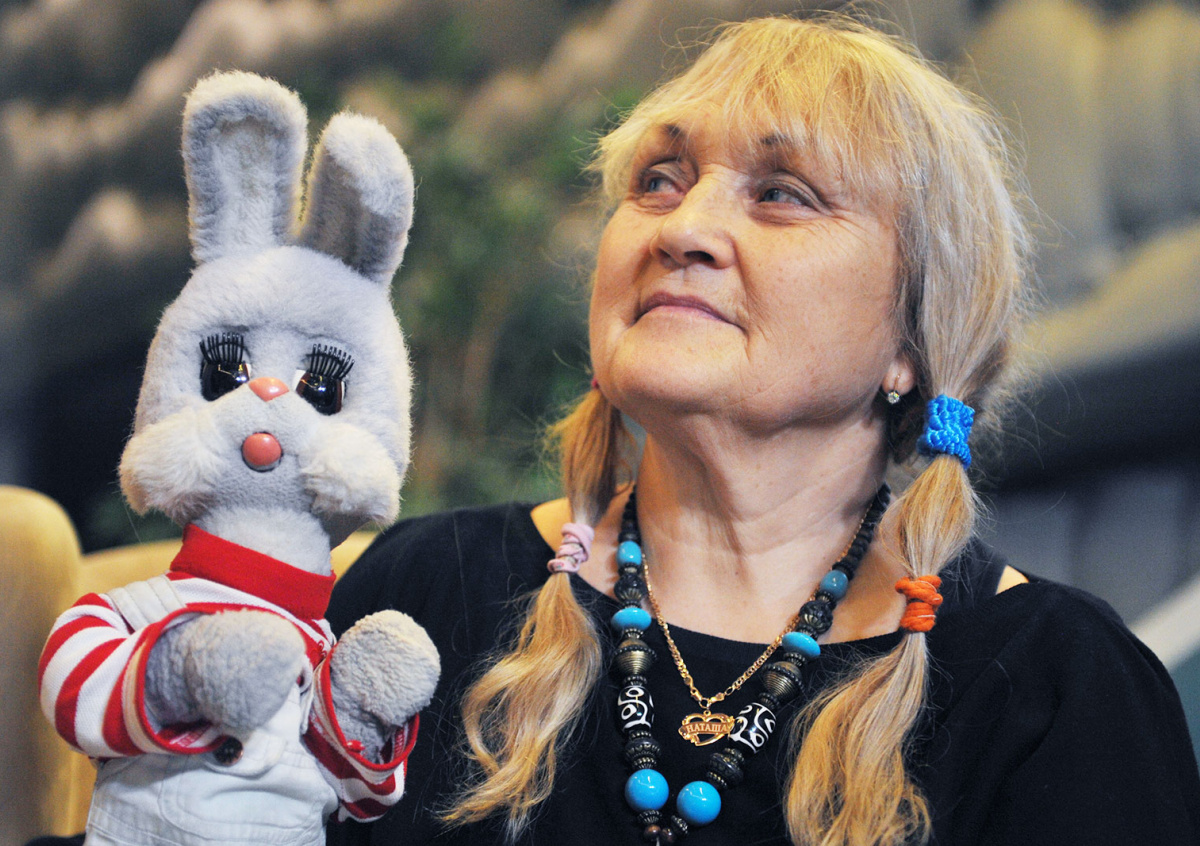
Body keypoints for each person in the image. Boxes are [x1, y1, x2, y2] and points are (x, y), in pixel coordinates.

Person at [325, 15, 1200, 846]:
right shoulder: (426, 590)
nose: (684, 229)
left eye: (783, 194)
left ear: (913, 340)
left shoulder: (1056, 688)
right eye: (658, 181)